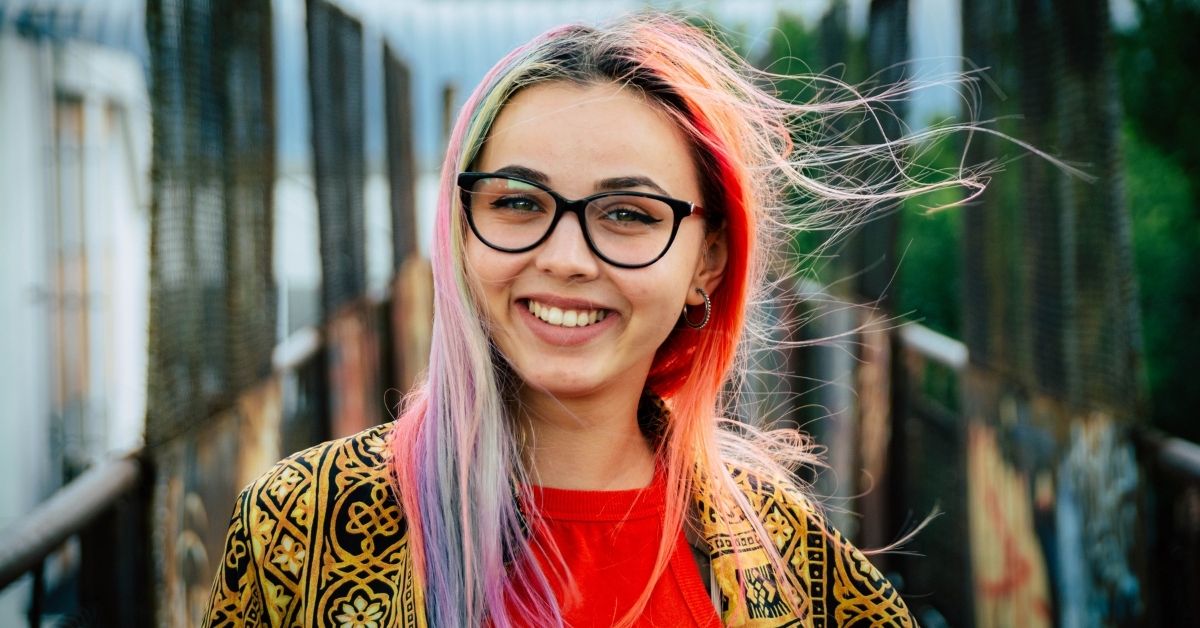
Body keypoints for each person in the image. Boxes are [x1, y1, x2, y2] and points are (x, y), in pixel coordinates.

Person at [204, 11, 969, 627]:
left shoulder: (797, 565)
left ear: (707, 260)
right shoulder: (299, 527)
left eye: (628, 214)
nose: (566, 257)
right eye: (517, 202)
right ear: (460, 228)